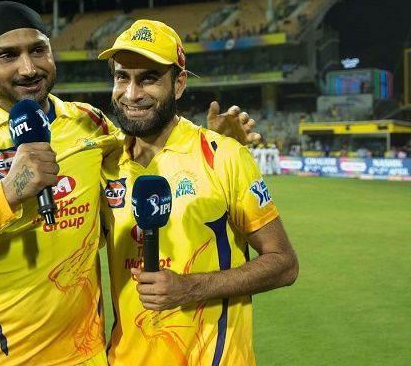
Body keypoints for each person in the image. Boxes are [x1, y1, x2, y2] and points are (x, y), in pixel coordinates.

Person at [0, 2, 258, 366]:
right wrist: (7, 194)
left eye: (38, 50)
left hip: (84, 357)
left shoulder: (91, 125)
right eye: (8, 55)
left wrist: (214, 143)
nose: (28, 68)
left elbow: (152, 150)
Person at [96, 20, 298, 365]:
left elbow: (283, 264)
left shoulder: (224, 155)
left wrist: (188, 288)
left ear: (179, 84)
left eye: (148, 78)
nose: (131, 93)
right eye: (121, 77)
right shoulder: (104, 163)